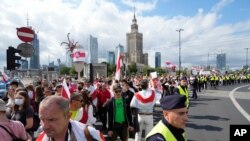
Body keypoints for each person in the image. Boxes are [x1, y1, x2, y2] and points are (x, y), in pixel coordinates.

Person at [36, 95, 105, 141]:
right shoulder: (40, 138)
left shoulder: (90, 135)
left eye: (52, 120)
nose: (45, 126)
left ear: (68, 116)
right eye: (42, 119)